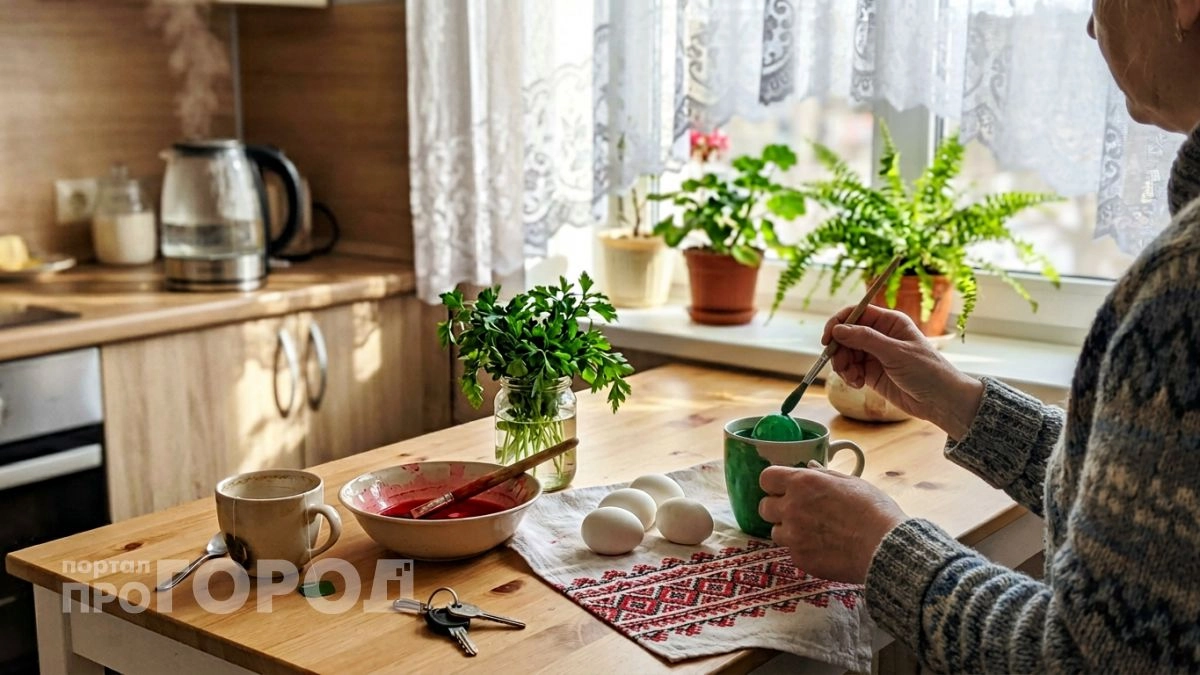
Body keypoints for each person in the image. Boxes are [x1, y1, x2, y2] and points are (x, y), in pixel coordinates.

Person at [756, 1, 1200, 672]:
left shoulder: (1184, 290)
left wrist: (883, 545)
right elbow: (1150, 520)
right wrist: (954, 398)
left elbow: (1079, 659)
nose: (1089, 25)